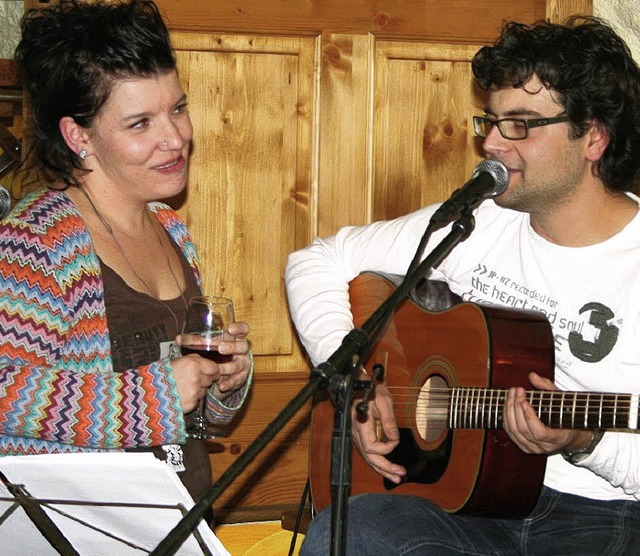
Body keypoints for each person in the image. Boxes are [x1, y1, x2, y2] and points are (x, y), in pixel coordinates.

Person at [286, 15, 640, 555]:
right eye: (491, 122)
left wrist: (586, 440)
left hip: (604, 515)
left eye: (520, 124)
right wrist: (355, 384)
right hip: (473, 503)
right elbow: (319, 259)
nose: (493, 144)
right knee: (352, 530)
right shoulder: (480, 223)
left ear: (593, 136)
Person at [0, 0, 252, 514]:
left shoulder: (172, 228)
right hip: (87, 529)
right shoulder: (35, 244)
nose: (175, 137)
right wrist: (155, 397)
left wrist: (223, 382)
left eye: (177, 109)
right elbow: (5, 389)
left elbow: (188, 411)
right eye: (140, 123)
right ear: (79, 136)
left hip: (185, 519)